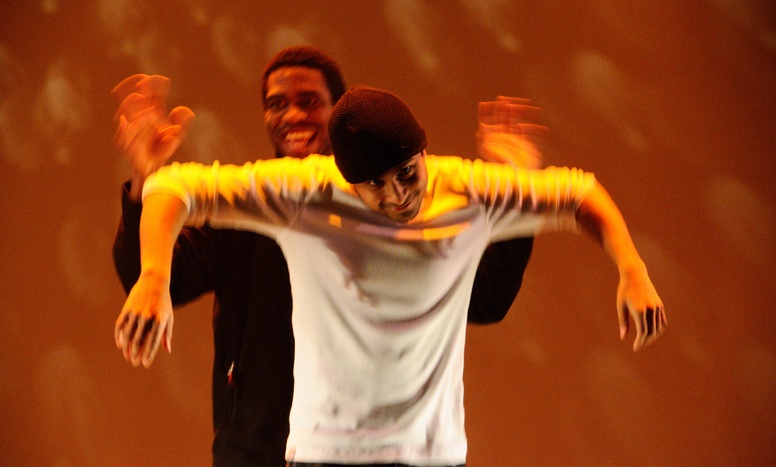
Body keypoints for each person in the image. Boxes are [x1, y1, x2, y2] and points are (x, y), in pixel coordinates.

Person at [114, 85, 666, 466]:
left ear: (423, 151)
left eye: (406, 173)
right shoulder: (306, 191)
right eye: (375, 186)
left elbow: (579, 194)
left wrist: (632, 267)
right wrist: (154, 277)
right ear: (346, 178)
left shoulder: (468, 188)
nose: (398, 194)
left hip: (431, 455)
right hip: (326, 453)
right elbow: (173, 187)